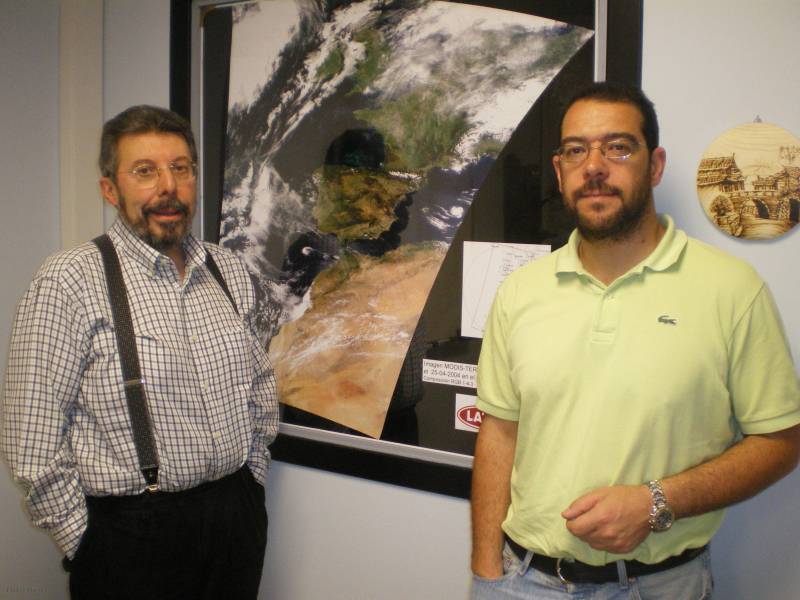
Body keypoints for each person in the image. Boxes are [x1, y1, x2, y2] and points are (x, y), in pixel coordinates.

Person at [470, 82, 800, 599]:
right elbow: (498, 433)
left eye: (618, 147)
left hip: (660, 586)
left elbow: (781, 442)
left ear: (655, 165)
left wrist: (657, 501)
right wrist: (485, 572)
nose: (594, 166)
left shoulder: (733, 290)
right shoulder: (520, 292)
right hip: (522, 581)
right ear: (559, 171)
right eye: (576, 150)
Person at [2, 105, 279, 599]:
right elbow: (32, 440)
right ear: (111, 189)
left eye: (180, 168)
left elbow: (259, 388)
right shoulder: (70, 279)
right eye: (145, 171)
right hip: (131, 538)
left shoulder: (230, 271)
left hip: (235, 519)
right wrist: (84, 541)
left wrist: (251, 483)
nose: (167, 187)